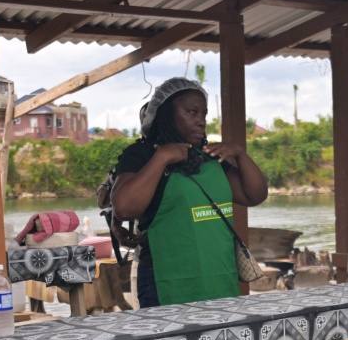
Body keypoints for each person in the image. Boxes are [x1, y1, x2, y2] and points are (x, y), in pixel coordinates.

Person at [111, 78, 267, 307]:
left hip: (219, 278)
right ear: (166, 114)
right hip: (166, 282)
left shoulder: (208, 156)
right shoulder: (142, 154)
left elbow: (254, 195)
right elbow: (124, 207)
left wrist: (240, 155)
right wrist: (162, 157)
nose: (201, 121)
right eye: (192, 112)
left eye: (204, 114)